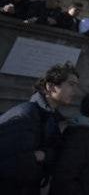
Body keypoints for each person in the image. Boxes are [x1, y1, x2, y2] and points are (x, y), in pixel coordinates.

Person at [0, 62, 79, 195]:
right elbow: (8, 163)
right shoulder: (26, 114)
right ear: (51, 86)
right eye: (71, 84)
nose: (75, 91)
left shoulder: (54, 118)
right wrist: (38, 157)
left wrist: (44, 155)